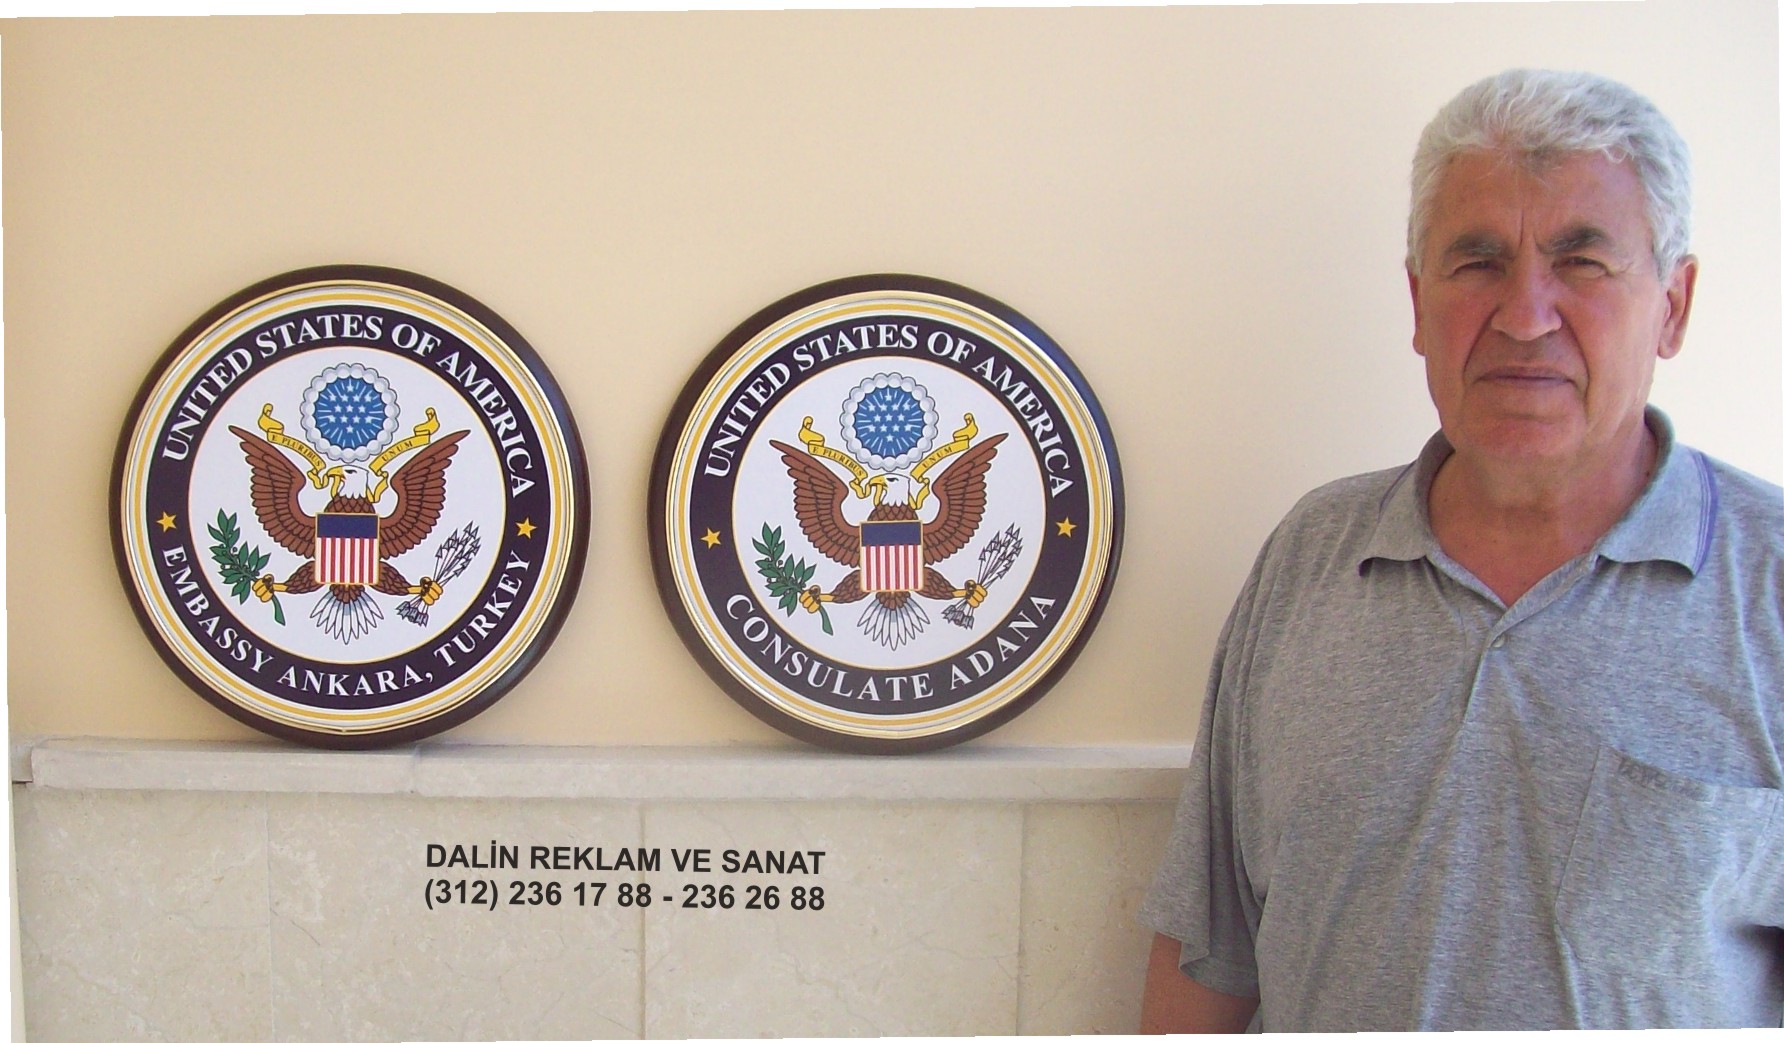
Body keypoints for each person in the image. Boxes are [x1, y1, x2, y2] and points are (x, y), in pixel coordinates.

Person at [1137, 68, 1784, 1031]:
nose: (1524, 315)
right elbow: (1209, 951)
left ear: (1674, 305)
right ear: (1418, 301)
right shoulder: (1310, 559)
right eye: (1477, 262)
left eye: (1582, 261)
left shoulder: (1767, 584)